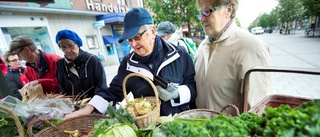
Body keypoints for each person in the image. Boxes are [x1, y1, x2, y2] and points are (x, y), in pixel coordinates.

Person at [65, 7, 196, 119]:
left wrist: (177, 93)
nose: (133, 44)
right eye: (129, 40)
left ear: (152, 31)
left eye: (137, 37)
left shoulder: (179, 54)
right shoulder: (128, 64)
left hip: (178, 123)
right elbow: (113, 92)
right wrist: (89, 108)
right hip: (148, 129)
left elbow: (193, 87)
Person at [194, 0, 272, 115]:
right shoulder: (201, 48)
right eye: (201, 13)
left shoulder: (251, 46)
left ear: (229, 9)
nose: (202, 19)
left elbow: (260, 110)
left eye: (207, 12)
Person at [55, 29, 108, 100]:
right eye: (63, 47)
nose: (67, 50)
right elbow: (62, 89)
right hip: (75, 105)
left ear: (78, 44)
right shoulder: (60, 64)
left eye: (70, 46)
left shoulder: (92, 60)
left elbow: (101, 86)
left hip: (95, 103)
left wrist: (93, 105)